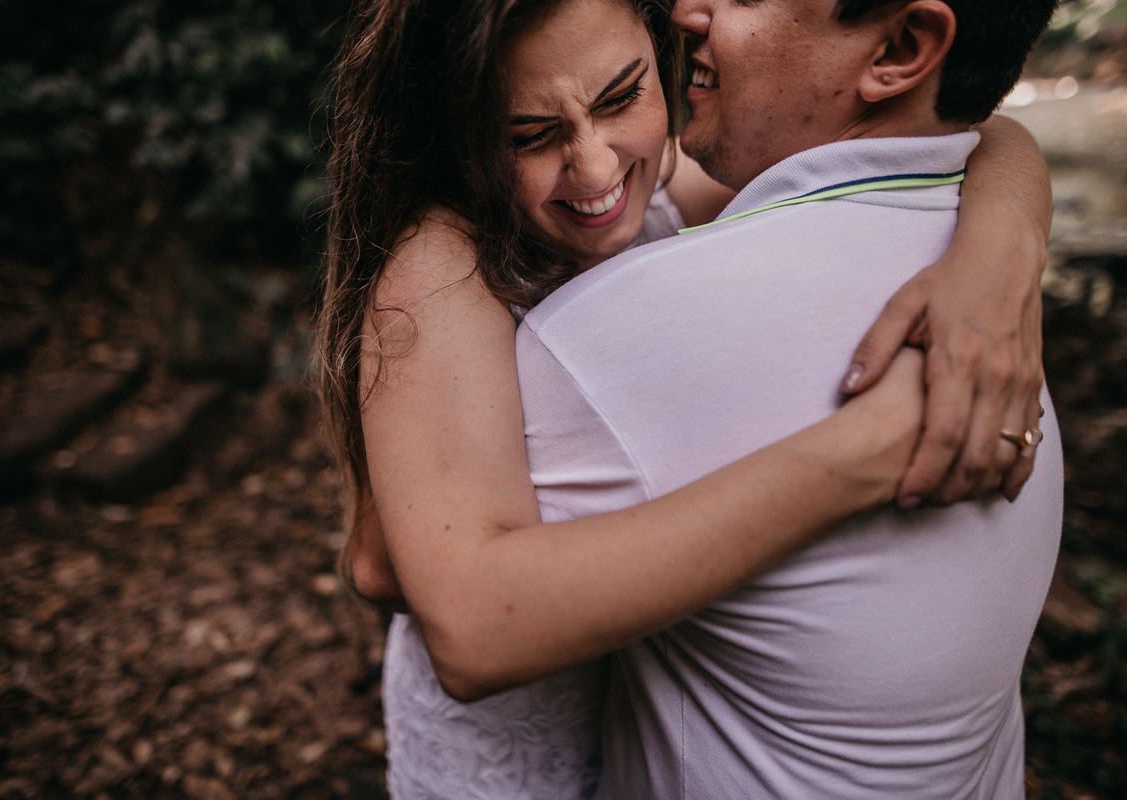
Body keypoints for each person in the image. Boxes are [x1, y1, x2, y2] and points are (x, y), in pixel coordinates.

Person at [317, 0, 1054, 796]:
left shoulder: (659, 181)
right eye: (527, 135)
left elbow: (988, 132)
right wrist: (865, 449)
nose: (598, 169)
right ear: (457, 132)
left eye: (622, 94)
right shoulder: (439, 268)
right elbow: (386, 561)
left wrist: (998, 257)